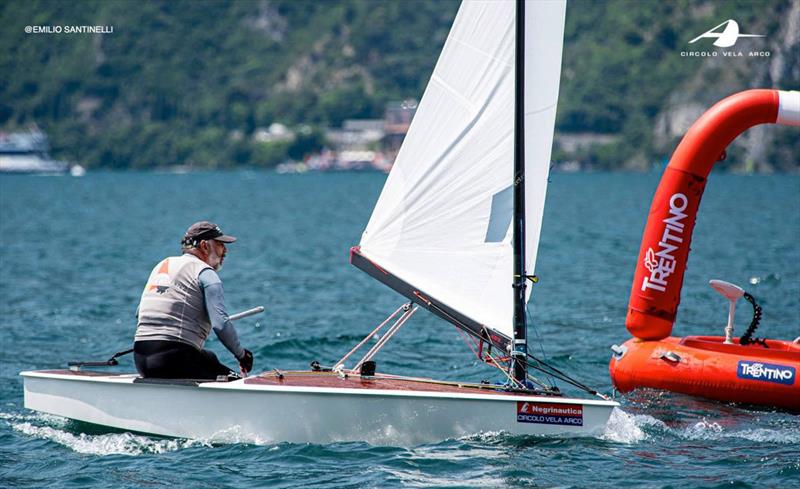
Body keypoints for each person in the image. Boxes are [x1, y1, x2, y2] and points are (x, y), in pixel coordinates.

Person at [133, 221, 254, 380]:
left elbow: (140, 314)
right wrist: (242, 355)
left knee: (209, 358)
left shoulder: (162, 265)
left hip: (141, 358)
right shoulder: (205, 273)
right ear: (204, 245)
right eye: (220, 244)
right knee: (234, 379)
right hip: (174, 359)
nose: (225, 250)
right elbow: (220, 324)